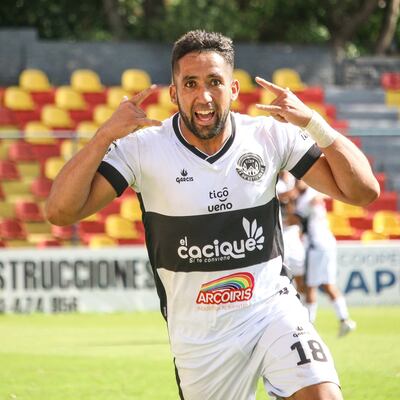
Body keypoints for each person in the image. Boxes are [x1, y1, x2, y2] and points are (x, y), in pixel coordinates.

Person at [46, 30, 380, 400]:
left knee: (323, 395)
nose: (204, 96)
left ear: (233, 89)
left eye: (215, 82)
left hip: (271, 310)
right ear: (174, 94)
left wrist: (314, 123)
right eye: (190, 84)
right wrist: (104, 135)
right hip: (200, 337)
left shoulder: (270, 137)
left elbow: (363, 192)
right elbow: (60, 211)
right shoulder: (142, 149)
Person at [295, 181, 356, 337]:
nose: (298, 181)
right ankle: (344, 319)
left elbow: (295, 219)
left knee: (310, 286)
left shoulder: (304, 199)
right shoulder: (313, 193)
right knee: (329, 284)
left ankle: (309, 325)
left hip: (315, 246)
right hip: (328, 243)